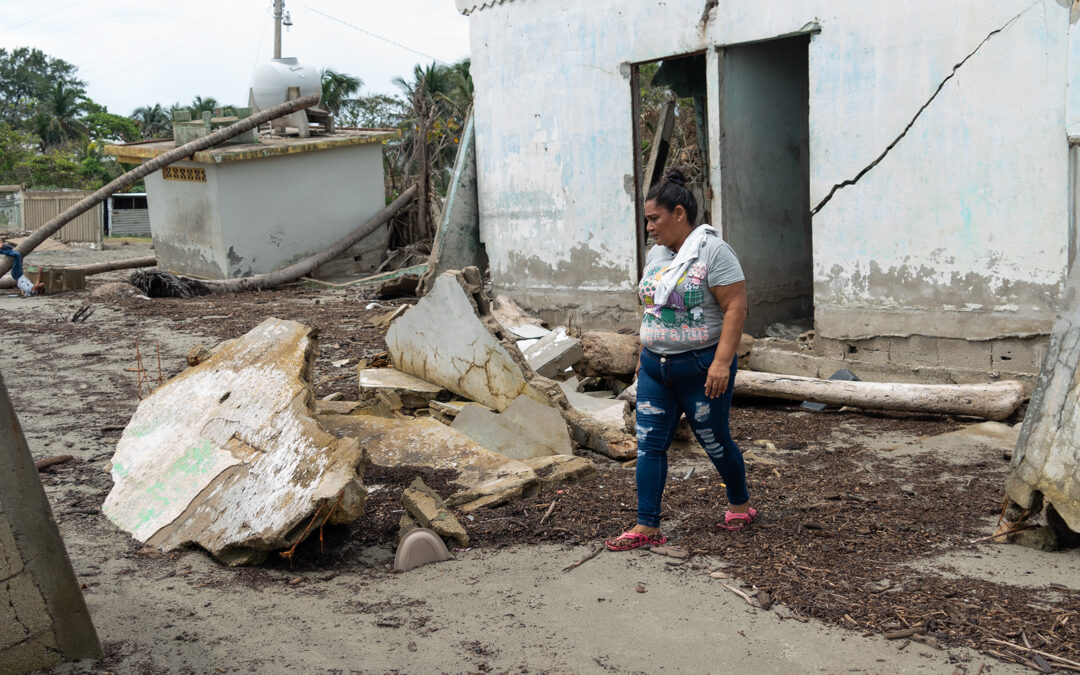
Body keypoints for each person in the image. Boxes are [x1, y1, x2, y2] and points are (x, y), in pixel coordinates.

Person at [605, 169, 754, 551]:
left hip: (702, 367)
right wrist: (643, 355)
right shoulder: (657, 255)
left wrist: (722, 363)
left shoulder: (712, 252)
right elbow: (653, 310)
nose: (650, 228)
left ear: (679, 213)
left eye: (654, 219)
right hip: (657, 366)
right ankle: (647, 525)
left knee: (714, 440)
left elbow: (735, 307)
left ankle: (740, 503)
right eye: (647, 221)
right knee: (650, 442)